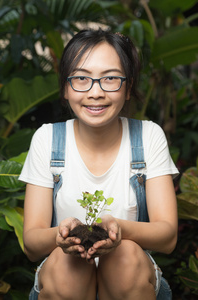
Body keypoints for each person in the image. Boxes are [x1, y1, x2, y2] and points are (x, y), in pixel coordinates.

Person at [19, 28, 179, 300]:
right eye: (81, 78)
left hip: (132, 282)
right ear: (66, 88)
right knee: (67, 265)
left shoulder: (149, 136)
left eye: (110, 79)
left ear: (128, 88)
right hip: (62, 284)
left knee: (125, 254)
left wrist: (120, 229)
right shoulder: (47, 139)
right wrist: (60, 235)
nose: (95, 92)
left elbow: (168, 237)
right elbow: (33, 244)